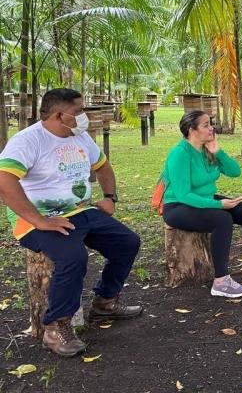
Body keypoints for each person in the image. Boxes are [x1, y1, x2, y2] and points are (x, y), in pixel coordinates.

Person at [0, 88, 142, 357]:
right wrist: (39, 220)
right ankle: (56, 327)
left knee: (127, 242)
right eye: (78, 111)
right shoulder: (28, 141)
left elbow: (102, 166)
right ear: (58, 115)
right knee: (73, 257)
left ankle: (105, 301)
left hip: (80, 211)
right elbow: (5, 181)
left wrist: (110, 197)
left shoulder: (79, 136)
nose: (84, 116)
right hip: (36, 220)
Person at [161, 110, 242, 298]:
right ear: (192, 130)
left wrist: (218, 151)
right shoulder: (180, 154)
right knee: (222, 219)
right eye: (206, 125)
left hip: (204, 200)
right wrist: (218, 205)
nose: (212, 128)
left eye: (211, 124)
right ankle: (221, 281)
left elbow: (235, 172)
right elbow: (183, 195)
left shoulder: (206, 149)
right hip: (177, 206)